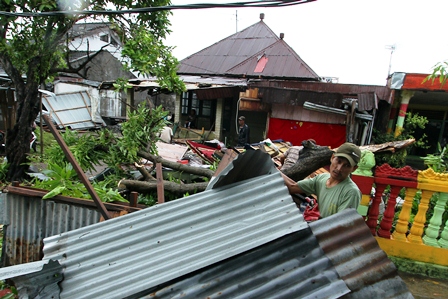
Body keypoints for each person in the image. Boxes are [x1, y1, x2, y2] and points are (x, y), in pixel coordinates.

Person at [281, 142, 362, 219]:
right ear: (332, 158)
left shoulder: (351, 192)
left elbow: (341, 226)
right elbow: (292, 187)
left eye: (347, 165)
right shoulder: (322, 179)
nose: (339, 168)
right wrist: (272, 168)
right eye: (339, 161)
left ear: (354, 169)